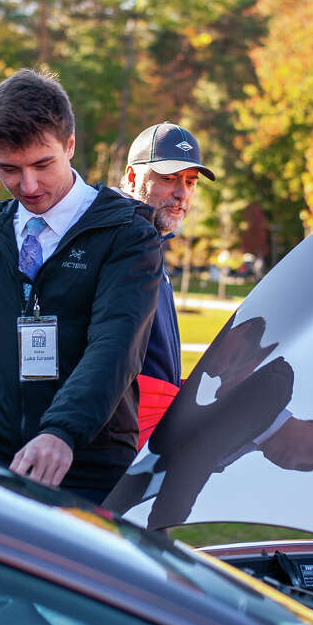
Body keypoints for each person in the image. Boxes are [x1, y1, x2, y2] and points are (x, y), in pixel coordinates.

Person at [0, 69, 162, 504]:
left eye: (42, 165)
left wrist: (62, 431)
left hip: (84, 463)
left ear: (70, 145)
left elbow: (115, 346)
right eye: (8, 169)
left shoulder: (126, 234)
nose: (28, 186)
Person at [119, 122, 215, 446]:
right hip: (125, 440)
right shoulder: (119, 245)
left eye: (190, 182)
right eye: (169, 178)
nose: (181, 194)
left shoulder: (149, 242)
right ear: (132, 177)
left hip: (149, 434)